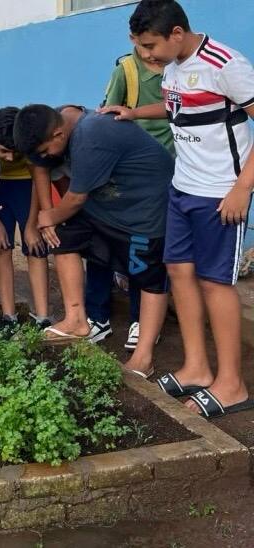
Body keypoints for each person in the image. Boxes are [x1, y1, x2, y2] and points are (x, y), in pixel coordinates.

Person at [101, 0, 254, 417]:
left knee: (214, 282)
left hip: (221, 193)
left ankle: (232, 384)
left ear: (176, 34)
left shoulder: (225, 64)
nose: (144, 55)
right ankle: (198, 368)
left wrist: (243, 187)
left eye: (149, 46)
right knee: (179, 272)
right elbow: (178, 111)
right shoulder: (169, 66)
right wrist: (133, 112)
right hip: (182, 189)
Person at [13, 104, 174, 380]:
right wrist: (51, 220)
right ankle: (77, 319)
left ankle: (143, 356)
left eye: (44, 151)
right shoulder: (62, 121)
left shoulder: (92, 134)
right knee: (62, 235)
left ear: (58, 134)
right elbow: (43, 169)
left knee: (148, 277)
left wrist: (45, 216)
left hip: (143, 216)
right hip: (107, 209)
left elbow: (75, 199)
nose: (45, 158)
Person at [87, 39, 176, 349]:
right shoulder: (126, 70)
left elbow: (180, 110)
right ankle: (96, 316)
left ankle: (142, 320)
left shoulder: (179, 67)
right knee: (101, 242)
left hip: (169, 174)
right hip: (127, 175)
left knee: (148, 247)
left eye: (150, 42)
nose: (147, 50)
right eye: (141, 43)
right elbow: (106, 118)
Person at [0, 109, 52, 331]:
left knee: (36, 247)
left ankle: (43, 317)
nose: (10, 158)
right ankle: (9, 317)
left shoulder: (29, 135)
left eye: (16, 152)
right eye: (4, 151)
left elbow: (39, 179)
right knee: (0, 247)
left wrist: (32, 224)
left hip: (27, 186)